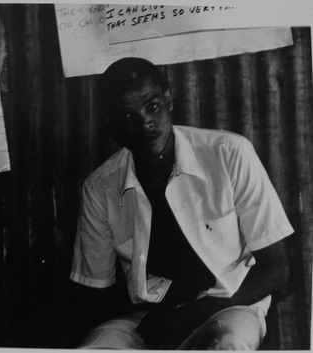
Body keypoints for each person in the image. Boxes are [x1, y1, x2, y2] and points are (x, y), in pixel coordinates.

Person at [70, 57, 294, 350]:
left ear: (169, 100)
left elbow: (277, 269)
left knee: (227, 345)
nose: (145, 123)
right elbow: (95, 292)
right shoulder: (99, 188)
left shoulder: (229, 153)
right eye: (127, 117)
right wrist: (158, 322)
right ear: (110, 123)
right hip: (150, 316)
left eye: (152, 107)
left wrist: (189, 317)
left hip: (231, 303)